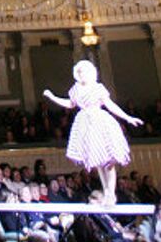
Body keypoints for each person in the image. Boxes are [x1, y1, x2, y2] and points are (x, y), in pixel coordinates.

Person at [43, 59, 143, 205]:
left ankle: (111, 193)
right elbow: (70, 104)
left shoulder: (98, 88)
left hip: (99, 121)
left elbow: (110, 105)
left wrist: (127, 117)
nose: (82, 74)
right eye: (80, 72)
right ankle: (107, 191)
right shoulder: (76, 89)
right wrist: (52, 97)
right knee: (98, 162)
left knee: (108, 161)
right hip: (85, 124)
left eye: (85, 71)